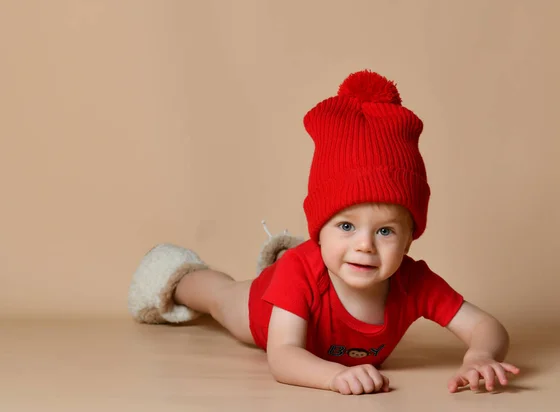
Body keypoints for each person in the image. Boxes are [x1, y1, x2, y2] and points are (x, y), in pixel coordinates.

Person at [127, 69, 520, 395]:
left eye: (385, 232)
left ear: (410, 236)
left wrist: (480, 355)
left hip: (311, 277)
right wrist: (334, 376)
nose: (364, 246)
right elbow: (282, 356)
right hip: (265, 311)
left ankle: (305, 255)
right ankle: (177, 273)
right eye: (346, 226)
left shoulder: (413, 282)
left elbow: (487, 327)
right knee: (223, 297)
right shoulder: (302, 273)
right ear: (320, 227)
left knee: (306, 272)